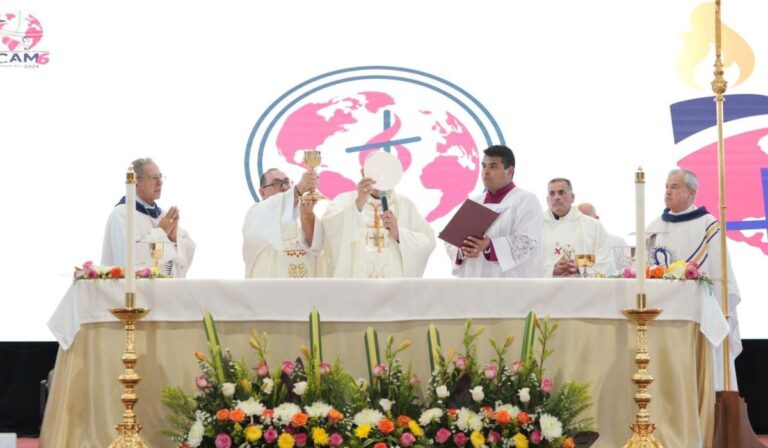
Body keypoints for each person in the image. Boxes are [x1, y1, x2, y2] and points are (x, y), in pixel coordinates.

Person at [646, 168, 741, 390]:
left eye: (675, 187)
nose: (668, 192)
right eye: (666, 186)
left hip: (699, 316)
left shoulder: (708, 225)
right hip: (663, 314)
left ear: (692, 192)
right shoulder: (654, 227)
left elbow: (719, 272)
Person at [321, 162, 435, 278]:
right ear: (363, 172)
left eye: (385, 173)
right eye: (375, 173)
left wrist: (399, 234)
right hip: (356, 286)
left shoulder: (404, 205)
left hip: (393, 288)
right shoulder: (344, 201)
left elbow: (428, 240)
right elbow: (330, 229)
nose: (380, 179)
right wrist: (357, 205)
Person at [449, 145, 543, 278]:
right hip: (472, 284)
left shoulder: (525, 200)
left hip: (507, 287)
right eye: (484, 166)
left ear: (509, 171)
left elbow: (527, 242)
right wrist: (463, 250)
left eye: (493, 166)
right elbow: (452, 243)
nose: (485, 172)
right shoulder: (474, 202)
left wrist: (489, 246)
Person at [102, 158, 196, 277]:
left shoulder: (163, 215)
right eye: (153, 178)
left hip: (166, 289)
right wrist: (161, 232)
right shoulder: (123, 213)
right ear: (136, 182)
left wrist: (174, 240)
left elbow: (185, 257)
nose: (160, 182)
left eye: (160, 177)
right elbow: (131, 259)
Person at [242, 167, 323, 278]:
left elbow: (316, 248)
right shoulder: (255, 214)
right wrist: (299, 189)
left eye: (286, 182)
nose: (284, 187)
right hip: (269, 292)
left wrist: (307, 216)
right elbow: (272, 208)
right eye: (276, 183)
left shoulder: (298, 215)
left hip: (304, 292)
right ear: (262, 192)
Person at [541, 179, 613, 277]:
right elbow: (528, 263)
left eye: (561, 192)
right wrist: (551, 269)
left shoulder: (593, 226)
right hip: (546, 290)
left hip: (583, 289)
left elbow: (605, 258)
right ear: (547, 200)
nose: (556, 197)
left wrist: (580, 266)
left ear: (572, 197)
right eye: (552, 194)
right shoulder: (536, 226)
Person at [577, 202, 628, 271]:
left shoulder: (618, 243)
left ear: (597, 219)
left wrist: (578, 262)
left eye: (587, 218)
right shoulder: (572, 245)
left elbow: (628, 271)